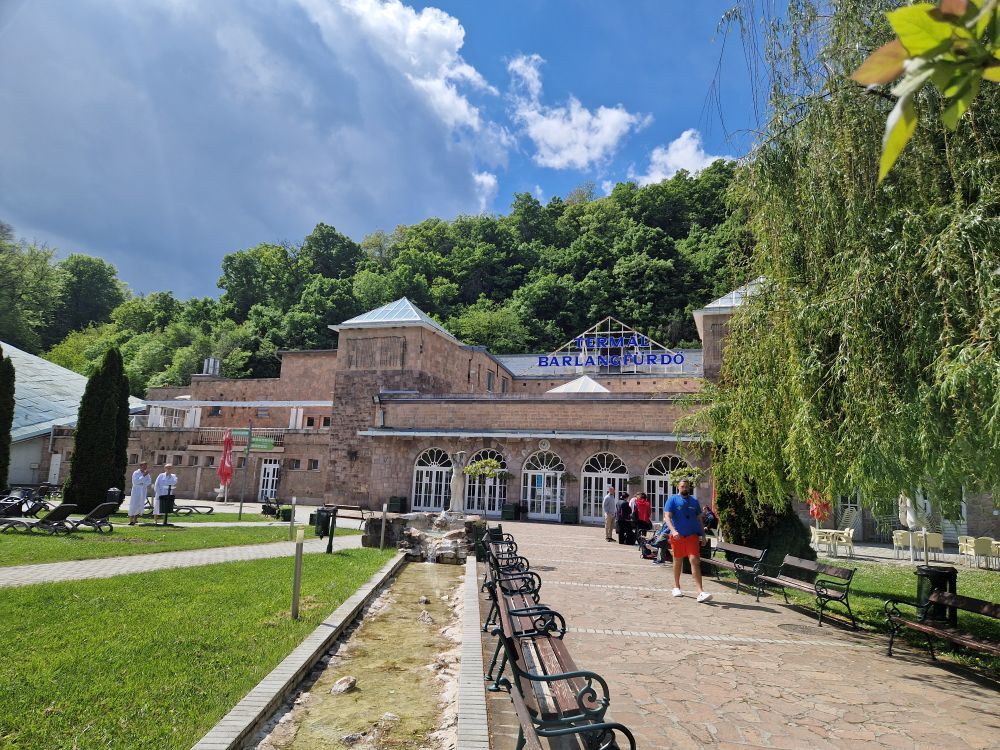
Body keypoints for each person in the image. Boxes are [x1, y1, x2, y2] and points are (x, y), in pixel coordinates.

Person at [664, 480, 712, 602]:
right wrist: (673, 531)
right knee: (678, 561)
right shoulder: (672, 500)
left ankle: (700, 591)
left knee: (694, 560)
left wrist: (703, 535)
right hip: (678, 536)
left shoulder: (694, 501)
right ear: (678, 487)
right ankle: (676, 586)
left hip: (692, 536)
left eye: (686, 486)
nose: (684, 488)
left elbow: (699, 519)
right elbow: (667, 517)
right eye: (682, 486)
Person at [127, 461, 152, 525]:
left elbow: (149, 482)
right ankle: (130, 520)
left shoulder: (147, 474)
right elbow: (136, 481)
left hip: (143, 490)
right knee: (134, 504)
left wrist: (143, 482)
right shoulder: (136, 473)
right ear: (141, 466)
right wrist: (143, 476)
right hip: (136, 490)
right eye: (144, 466)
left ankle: (135, 519)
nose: (145, 467)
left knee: (140, 504)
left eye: (146, 466)